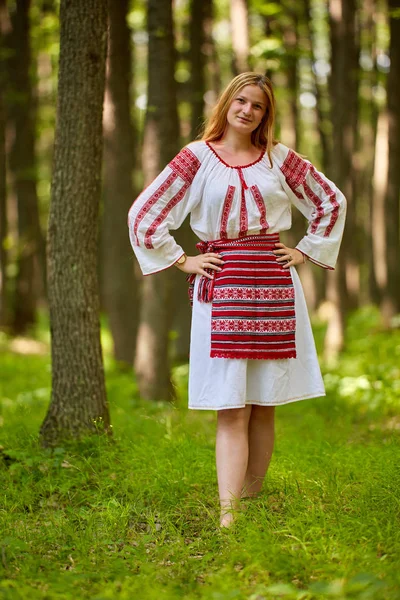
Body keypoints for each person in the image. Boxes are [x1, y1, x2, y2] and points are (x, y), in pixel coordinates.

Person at [128, 72, 346, 528]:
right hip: (222, 285)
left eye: (258, 106)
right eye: (242, 101)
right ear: (227, 102)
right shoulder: (196, 158)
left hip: (273, 284)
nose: (248, 110)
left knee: (264, 402)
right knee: (233, 405)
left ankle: (253, 500)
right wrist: (181, 260)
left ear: (266, 114)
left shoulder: (278, 160)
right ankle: (229, 519)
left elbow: (330, 201)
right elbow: (145, 213)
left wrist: (304, 250)